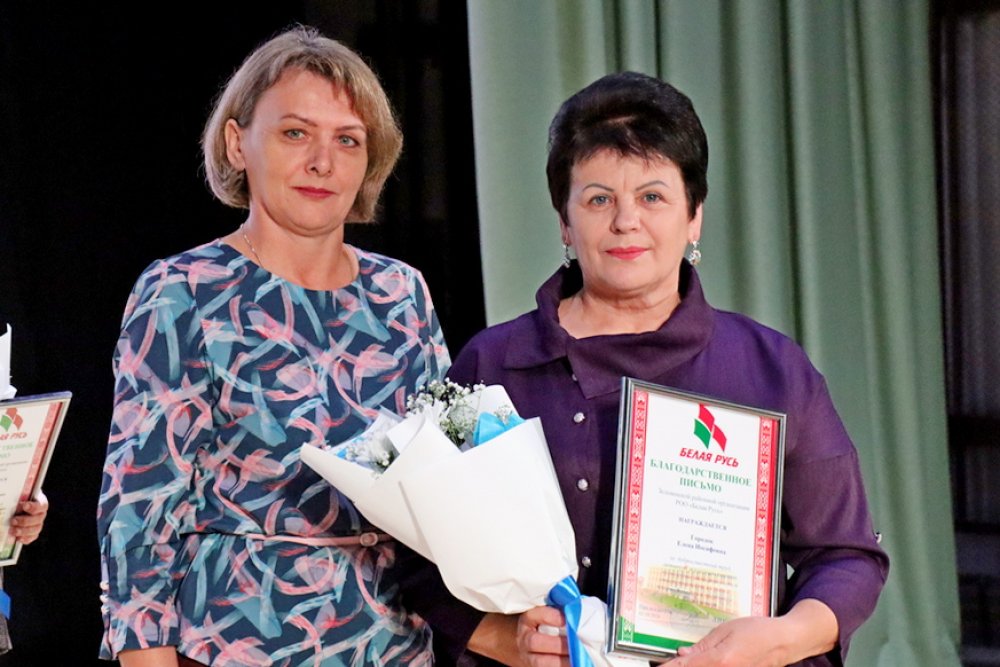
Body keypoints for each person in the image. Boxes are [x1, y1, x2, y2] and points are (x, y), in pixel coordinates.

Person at [402, 72, 889, 667]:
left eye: (653, 197)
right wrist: (514, 644)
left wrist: (779, 640)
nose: (626, 221)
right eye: (599, 199)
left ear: (694, 217)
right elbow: (421, 561)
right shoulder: (494, 364)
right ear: (564, 222)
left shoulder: (770, 368)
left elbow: (845, 557)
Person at [97, 27, 449, 666]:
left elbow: (442, 485)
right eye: (295, 133)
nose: (323, 162)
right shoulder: (184, 291)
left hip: (393, 645)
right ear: (238, 143)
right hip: (234, 646)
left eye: (347, 140)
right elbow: (139, 513)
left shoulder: (401, 292)